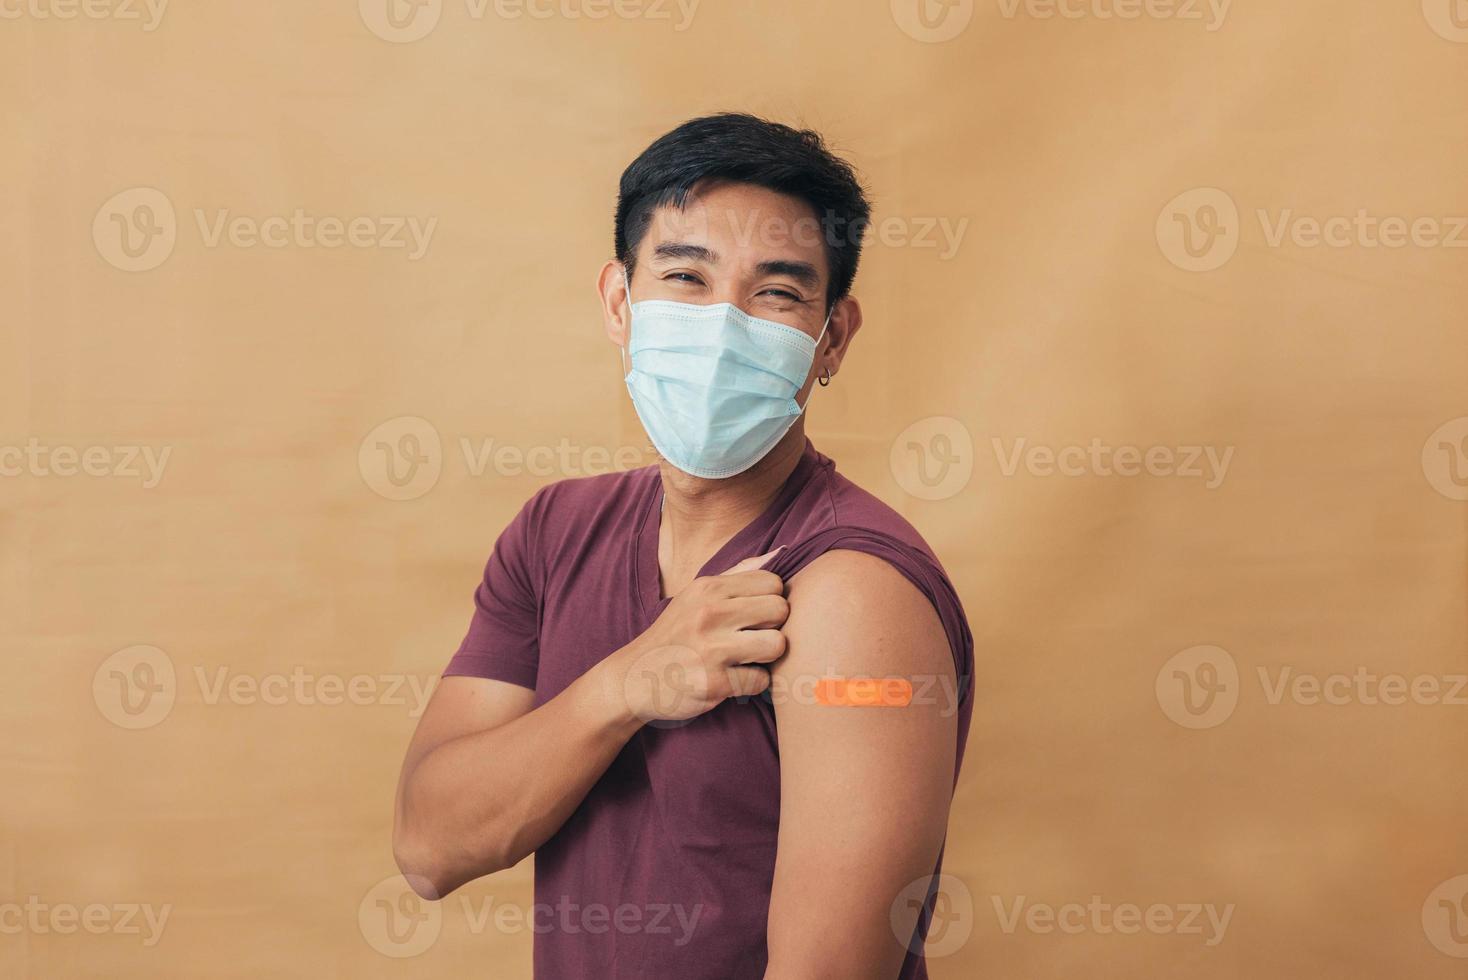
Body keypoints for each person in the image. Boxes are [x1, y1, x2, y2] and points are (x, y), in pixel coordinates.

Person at [392, 112, 974, 979]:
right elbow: (431, 845)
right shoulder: (555, 536)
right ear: (621, 305)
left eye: (775, 293)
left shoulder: (852, 595)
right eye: (686, 278)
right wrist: (628, 683)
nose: (724, 326)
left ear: (832, 340)